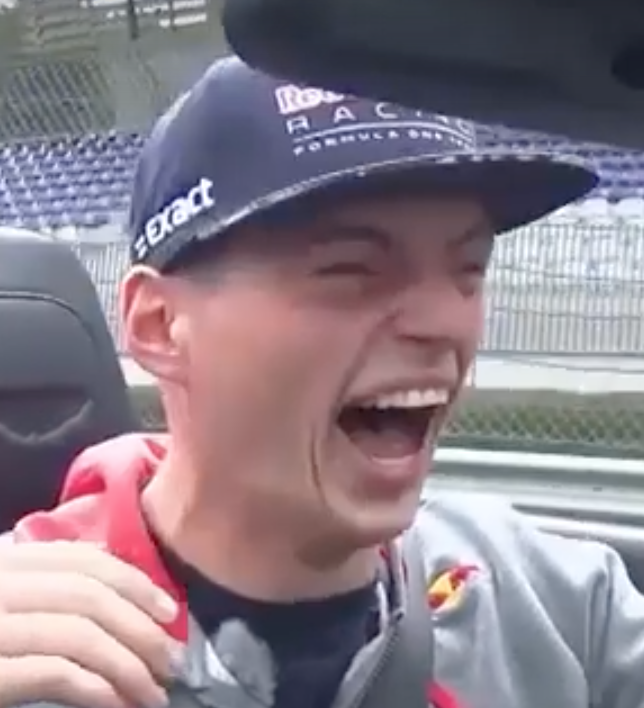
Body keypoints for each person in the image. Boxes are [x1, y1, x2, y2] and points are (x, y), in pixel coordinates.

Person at [1, 54, 643, 708]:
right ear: (161, 326)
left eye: (468, 269)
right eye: (351, 269)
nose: (442, 322)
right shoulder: (25, 645)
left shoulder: (550, 602)